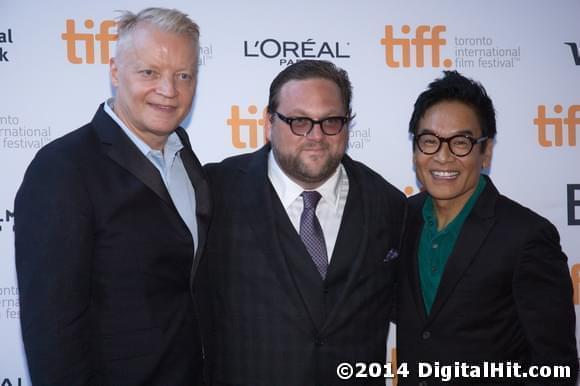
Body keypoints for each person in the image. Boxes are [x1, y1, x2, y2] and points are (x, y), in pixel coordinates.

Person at [14, 8, 210, 386]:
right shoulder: (63, 168)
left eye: (183, 75)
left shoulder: (184, 155)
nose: (169, 91)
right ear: (116, 72)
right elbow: (52, 330)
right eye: (149, 72)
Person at [196, 59, 406, 386]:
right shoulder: (214, 191)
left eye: (331, 121)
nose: (316, 135)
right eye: (298, 121)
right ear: (269, 123)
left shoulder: (389, 204)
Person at [396, 70, 577, 385]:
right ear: (415, 150)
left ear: (486, 151)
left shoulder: (527, 237)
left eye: (461, 142)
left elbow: (556, 368)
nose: (442, 156)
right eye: (429, 141)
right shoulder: (398, 219)